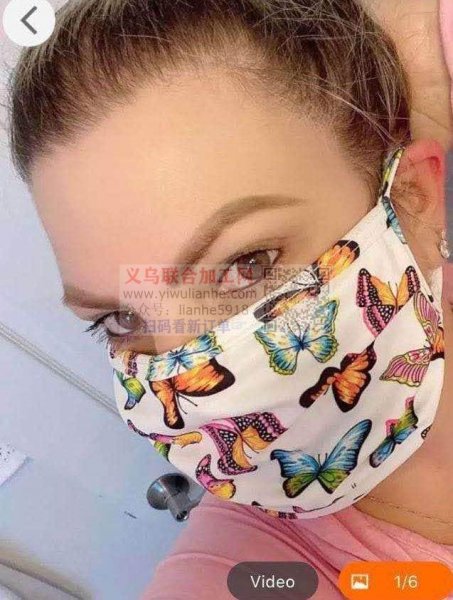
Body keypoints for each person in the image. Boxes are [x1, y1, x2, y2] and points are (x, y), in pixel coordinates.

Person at [7, 0, 453, 598]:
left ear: (413, 198)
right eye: (122, 317)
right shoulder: (236, 570)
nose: (185, 377)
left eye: (247, 265)